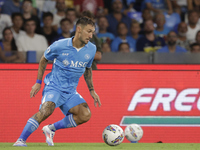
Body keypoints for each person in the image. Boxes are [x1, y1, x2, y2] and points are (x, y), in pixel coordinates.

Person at [13, 16, 101, 147]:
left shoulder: (92, 49)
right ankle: (21, 140)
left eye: (92, 32)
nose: (91, 35)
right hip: (54, 87)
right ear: (79, 29)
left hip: (70, 91)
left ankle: (51, 129)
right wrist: (38, 81)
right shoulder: (60, 45)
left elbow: (87, 69)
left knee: (85, 114)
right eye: (88, 31)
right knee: (46, 110)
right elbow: (44, 59)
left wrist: (92, 90)